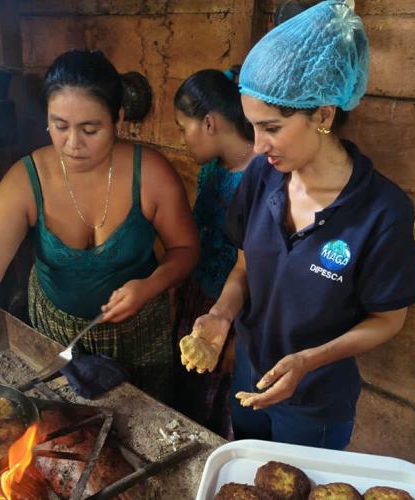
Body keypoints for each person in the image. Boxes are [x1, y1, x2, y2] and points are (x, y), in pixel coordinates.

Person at [180, 0, 415, 450]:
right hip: (251, 372)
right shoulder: (260, 177)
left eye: (270, 127)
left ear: (323, 115)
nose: (257, 145)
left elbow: (387, 319)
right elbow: (243, 267)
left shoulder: (383, 212)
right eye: (252, 127)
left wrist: (310, 361)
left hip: (316, 398)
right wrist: (221, 314)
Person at [0, 49, 199, 404]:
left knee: (147, 422)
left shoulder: (150, 174)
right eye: (60, 126)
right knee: (66, 424)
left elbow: (186, 250)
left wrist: (151, 285)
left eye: (91, 129)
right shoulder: (26, 181)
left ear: (117, 118)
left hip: (139, 336)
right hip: (55, 333)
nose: (73, 144)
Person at [172, 67, 256, 436]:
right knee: (187, 388)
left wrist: (233, 325)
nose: (182, 139)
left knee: (223, 402)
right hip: (197, 298)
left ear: (208, 123)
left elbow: (254, 265)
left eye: (182, 127)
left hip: (237, 309)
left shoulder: (264, 177)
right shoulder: (210, 170)